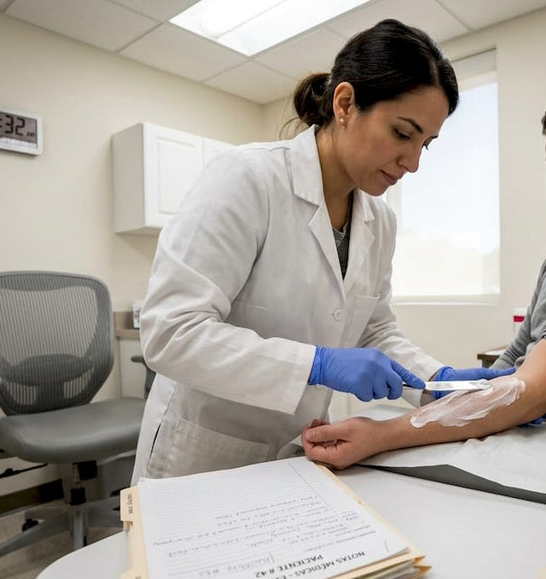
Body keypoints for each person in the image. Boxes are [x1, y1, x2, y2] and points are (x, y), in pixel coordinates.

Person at [132, 19, 513, 482]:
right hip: (205, 453)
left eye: (425, 144)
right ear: (345, 103)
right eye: (402, 134)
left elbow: (374, 331)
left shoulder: (380, 221)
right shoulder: (246, 178)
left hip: (300, 451)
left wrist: (438, 382)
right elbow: (170, 332)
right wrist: (316, 364)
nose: (413, 163)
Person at [303, 80, 546, 469]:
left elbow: (524, 393)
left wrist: (382, 434)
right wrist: (451, 387)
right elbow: (508, 371)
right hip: (519, 445)